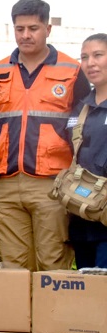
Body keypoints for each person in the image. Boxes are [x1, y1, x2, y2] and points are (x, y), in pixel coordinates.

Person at [0, 0, 90, 271]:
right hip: (5, 182)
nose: (25, 35)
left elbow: (83, 124)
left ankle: (53, 315)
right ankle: (19, 316)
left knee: (52, 261)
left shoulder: (71, 70)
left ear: (48, 29)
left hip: (53, 183)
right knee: (13, 266)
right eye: (19, 29)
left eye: (33, 28)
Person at [69, 33, 107, 268]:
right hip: (82, 215)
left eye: (98, 55)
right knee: (85, 290)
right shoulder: (80, 108)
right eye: (84, 57)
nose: (90, 62)